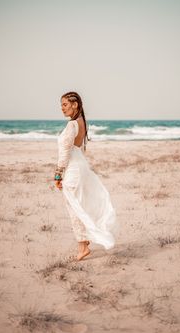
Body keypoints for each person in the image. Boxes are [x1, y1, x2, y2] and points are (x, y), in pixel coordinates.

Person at [55, 91, 118, 261]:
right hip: (80, 167)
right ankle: (85, 240)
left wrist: (58, 174)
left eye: (65, 104)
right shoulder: (82, 122)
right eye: (61, 105)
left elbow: (65, 152)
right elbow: (80, 149)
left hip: (73, 170)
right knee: (80, 204)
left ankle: (82, 246)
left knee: (75, 207)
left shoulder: (71, 125)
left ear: (75, 105)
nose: (62, 108)